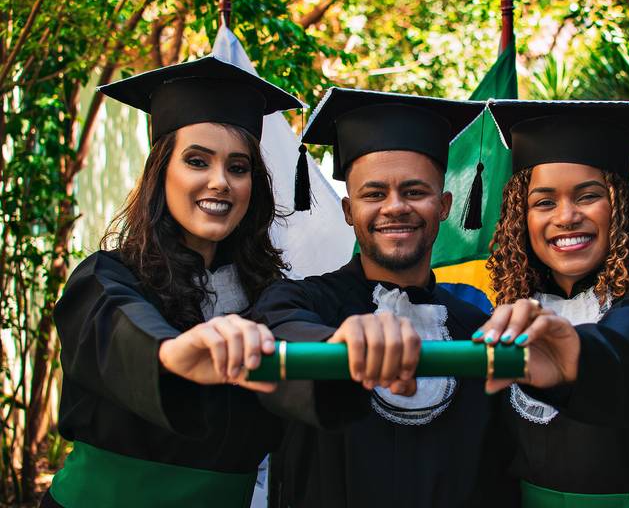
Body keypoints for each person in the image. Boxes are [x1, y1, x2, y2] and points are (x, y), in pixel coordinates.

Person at [42, 56, 305, 508]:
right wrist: (174, 355)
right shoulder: (107, 278)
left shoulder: (270, 295)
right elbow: (122, 333)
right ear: (162, 172)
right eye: (197, 161)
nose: (220, 182)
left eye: (238, 168)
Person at [255, 88, 515, 508]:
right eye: (374, 194)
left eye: (414, 192)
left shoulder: (476, 328)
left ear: (444, 205)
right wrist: (339, 345)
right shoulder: (299, 304)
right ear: (347, 210)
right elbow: (273, 336)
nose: (394, 207)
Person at [473, 100, 629, 507]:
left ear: (621, 204)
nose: (566, 217)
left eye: (588, 196)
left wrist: (573, 355)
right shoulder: (509, 315)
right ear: (521, 216)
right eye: (544, 202)